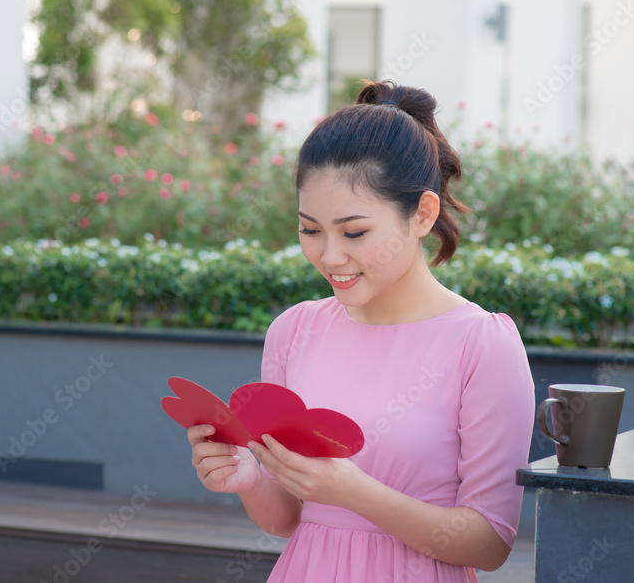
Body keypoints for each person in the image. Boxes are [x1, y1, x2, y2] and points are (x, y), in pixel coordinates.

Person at [187, 80, 536, 582]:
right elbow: (287, 518)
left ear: (422, 213)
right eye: (311, 230)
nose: (330, 256)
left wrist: (351, 490)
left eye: (354, 233)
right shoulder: (294, 331)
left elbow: (489, 542)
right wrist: (247, 479)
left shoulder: (481, 345)